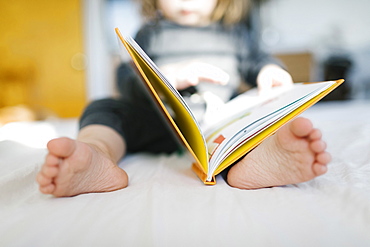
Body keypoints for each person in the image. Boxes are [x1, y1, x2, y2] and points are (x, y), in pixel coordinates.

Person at [36, 0, 331, 197]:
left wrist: (270, 71)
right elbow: (126, 79)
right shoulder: (151, 33)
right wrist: (167, 76)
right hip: (158, 121)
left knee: (257, 115)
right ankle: (96, 155)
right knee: (105, 108)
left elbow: (258, 61)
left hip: (216, 126)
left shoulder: (235, 35)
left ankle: (254, 163)